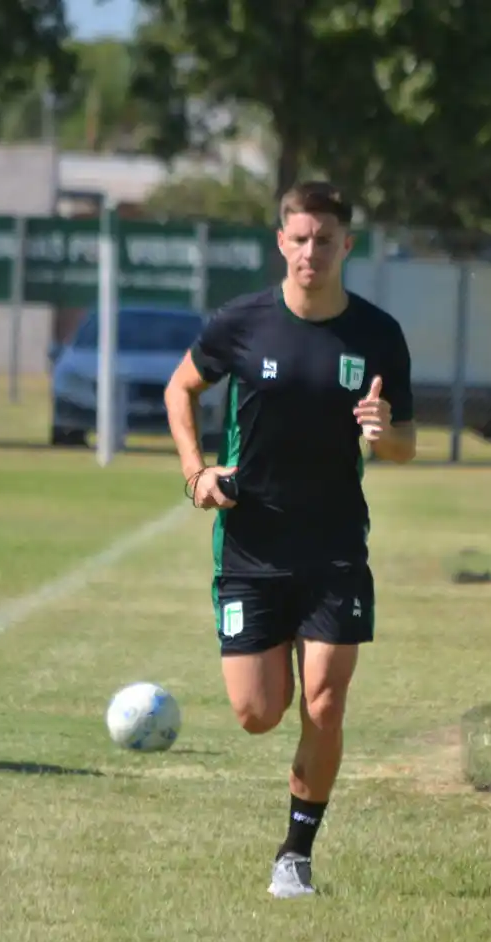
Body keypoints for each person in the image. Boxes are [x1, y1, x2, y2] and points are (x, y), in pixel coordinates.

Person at [162, 182, 415, 898]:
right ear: (282, 242)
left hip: (335, 546)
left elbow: (406, 442)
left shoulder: (376, 334)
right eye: (299, 238)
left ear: (346, 245)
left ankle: (295, 854)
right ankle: (286, 777)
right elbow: (180, 389)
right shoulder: (241, 323)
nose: (311, 251)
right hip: (250, 548)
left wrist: (383, 432)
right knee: (256, 713)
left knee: (325, 705)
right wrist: (194, 473)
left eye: (325, 239)